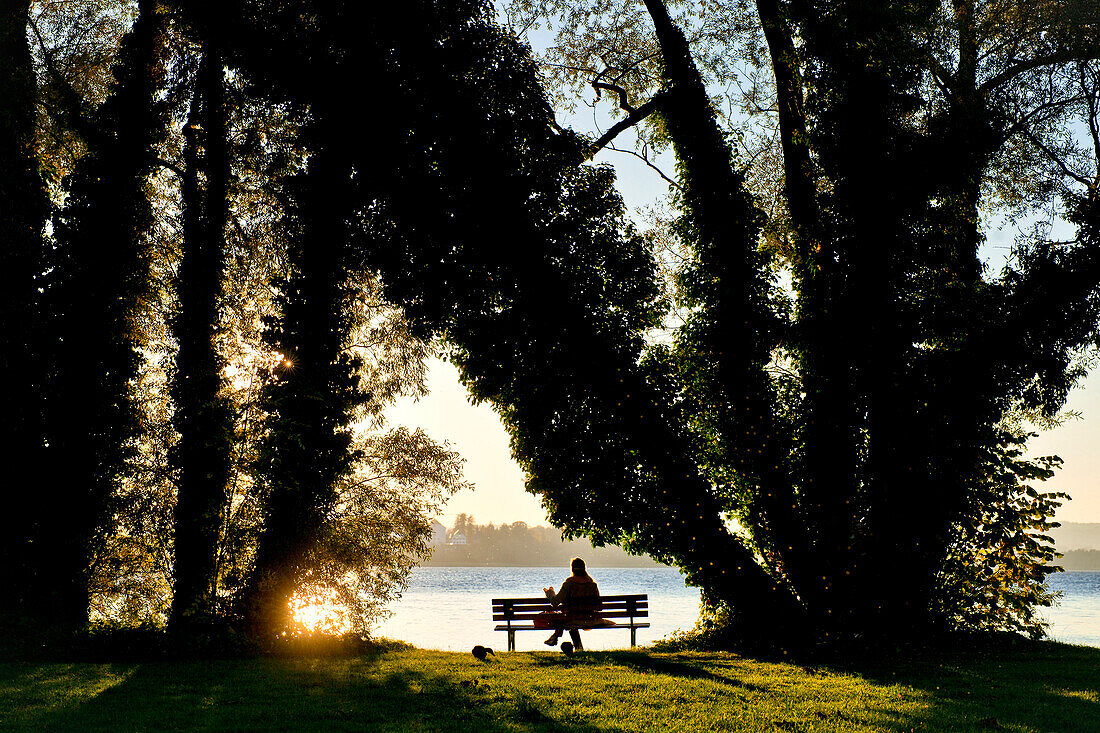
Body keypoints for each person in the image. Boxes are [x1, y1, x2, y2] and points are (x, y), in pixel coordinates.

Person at [541, 557, 604, 650]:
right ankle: (576, 646)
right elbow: (599, 607)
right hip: (589, 619)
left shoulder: (568, 584)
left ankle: (558, 638)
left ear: (572, 569)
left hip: (572, 619)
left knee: (566, 619)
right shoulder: (592, 584)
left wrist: (549, 593)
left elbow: (555, 602)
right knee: (569, 619)